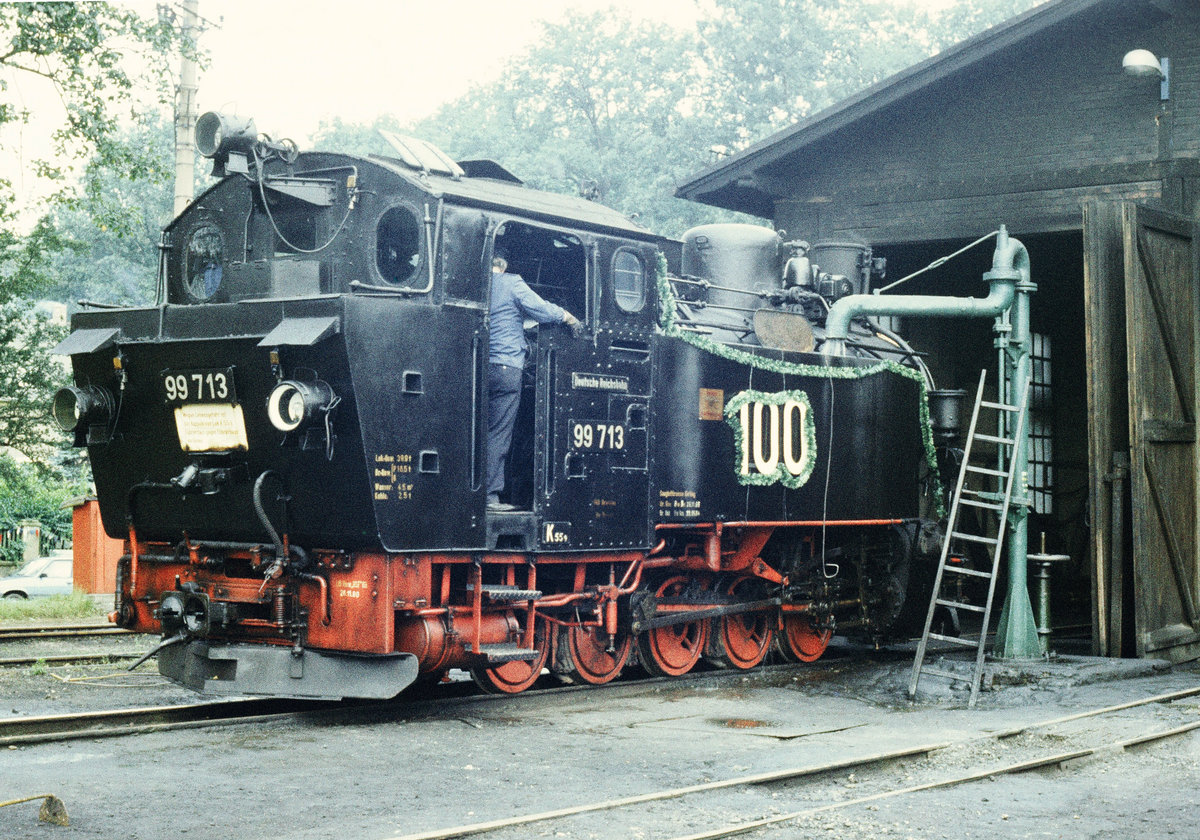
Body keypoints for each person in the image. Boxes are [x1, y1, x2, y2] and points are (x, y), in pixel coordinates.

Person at [487, 251, 582, 511]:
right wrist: (567, 316)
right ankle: (490, 496)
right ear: (503, 265)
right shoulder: (511, 282)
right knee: (498, 432)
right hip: (506, 367)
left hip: (477, 366)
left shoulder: (476, 284)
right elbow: (540, 309)